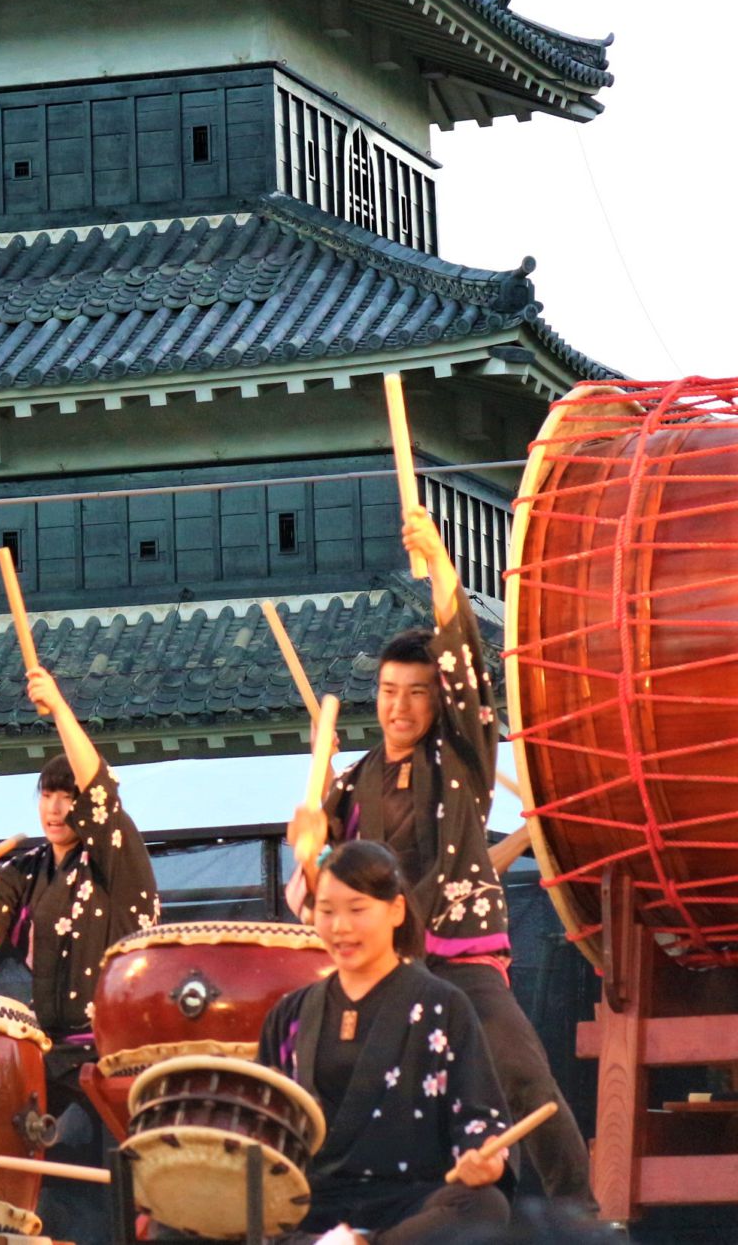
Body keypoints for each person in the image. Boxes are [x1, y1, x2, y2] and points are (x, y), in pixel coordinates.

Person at [288, 507, 590, 1208]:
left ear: (435, 703)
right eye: (390, 691)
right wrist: (305, 846)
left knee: (522, 1076)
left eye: (417, 693)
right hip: (387, 966)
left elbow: (469, 678)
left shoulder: (461, 755)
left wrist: (445, 575)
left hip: (460, 953)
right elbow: (324, 884)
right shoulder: (352, 781)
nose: (401, 705)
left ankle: (581, 1215)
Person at [0, 664, 159, 1243]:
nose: (53, 809)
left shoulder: (115, 855)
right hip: (50, 1055)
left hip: (112, 1053)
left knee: (105, 1195)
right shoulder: (34, 867)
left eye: (65, 797)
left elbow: (102, 789)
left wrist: (59, 707)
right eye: (45, 797)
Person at [247, 841, 510, 1244]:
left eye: (356, 909)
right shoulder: (289, 1015)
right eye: (327, 910)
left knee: (484, 1206)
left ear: (396, 910)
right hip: (314, 1203)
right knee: (243, 1207)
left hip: (412, 1202)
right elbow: (267, 1133)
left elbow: (478, 1119)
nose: (340, 927)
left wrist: (485, 1158)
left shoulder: (442, 1004)